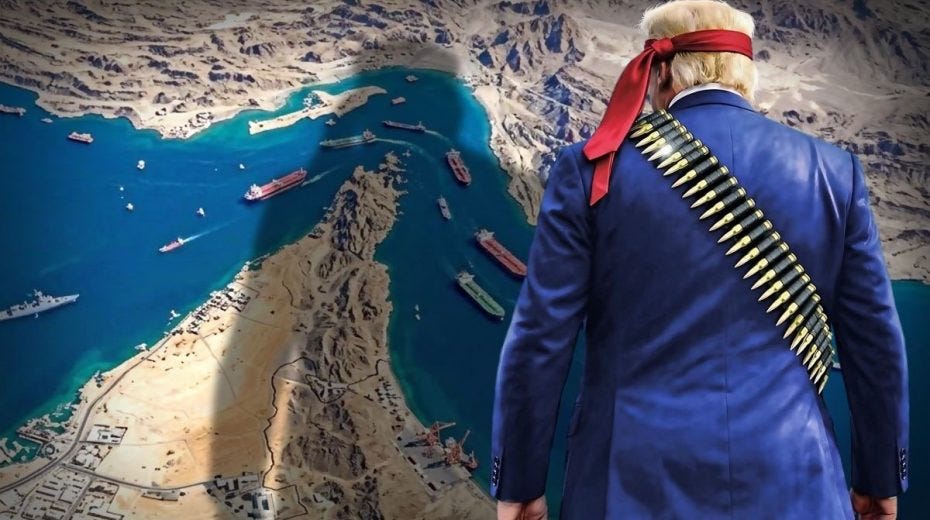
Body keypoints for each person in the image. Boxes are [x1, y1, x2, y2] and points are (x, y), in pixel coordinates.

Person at [489, 1, 909, 519]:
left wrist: (519, 484)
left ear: (661, 71)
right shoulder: (835, 171)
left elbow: (541, 338)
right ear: (746, 73)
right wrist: (879, 480)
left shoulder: (590, 168)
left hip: (626, 485)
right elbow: (874, 345)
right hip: (794, 481)